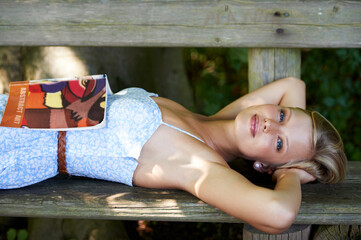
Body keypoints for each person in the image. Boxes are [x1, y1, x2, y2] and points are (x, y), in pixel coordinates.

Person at [0, 77, 347, 234]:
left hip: (18, 147)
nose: (271, 125)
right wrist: (286, 149)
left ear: (263, 165)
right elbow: (293, 85)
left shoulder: (200, 165)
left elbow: (278, 213)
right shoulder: (203, 123)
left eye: (279, 144)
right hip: (20, 109)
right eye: (283, 116)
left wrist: (289, 173)